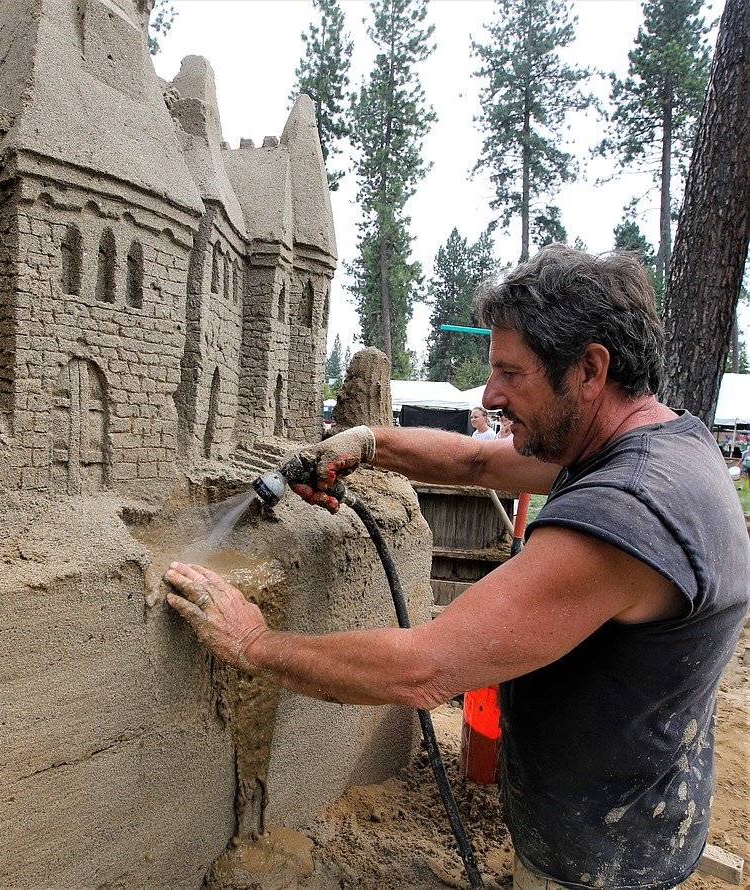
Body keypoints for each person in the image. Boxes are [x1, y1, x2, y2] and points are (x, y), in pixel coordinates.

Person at [164, 246, 750, 890]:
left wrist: (254, 643)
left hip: (602, 857)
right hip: (641, 804)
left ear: (590, 368)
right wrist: (366, 443)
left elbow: (424, 668)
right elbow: (475, 463)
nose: (492, 394)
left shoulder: (625, 515)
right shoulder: (654, 443)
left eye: (509, 372)